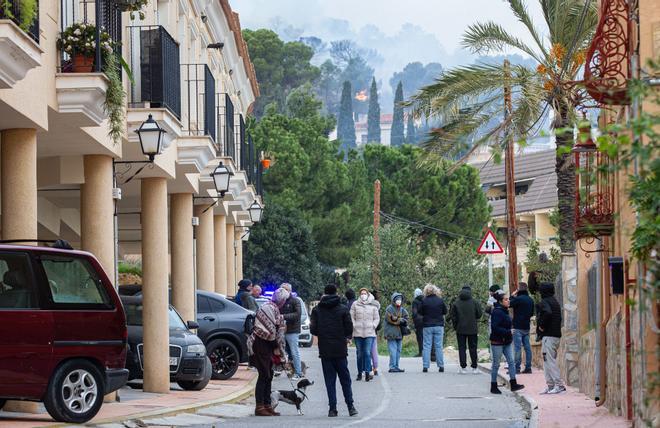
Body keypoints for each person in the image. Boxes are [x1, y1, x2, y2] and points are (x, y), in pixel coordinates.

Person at [310, 284, 358, 418]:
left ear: (324, 293)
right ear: (336, 292)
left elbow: (313, 329)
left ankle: (332, 409)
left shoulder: (317, 310)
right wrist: (344, 336)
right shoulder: (342, 309)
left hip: (325, 349)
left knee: (330, 380)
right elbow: (349, 327)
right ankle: (350, 406)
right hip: (340, 348)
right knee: (345, 379)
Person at [247, 287, 288, 416]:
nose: (284, 303)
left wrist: (279, 350)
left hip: (267, 345)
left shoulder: (274, 309)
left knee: (269, 375)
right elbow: (270, 331)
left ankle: (267, 404)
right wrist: (277, 348)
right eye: (284, 301)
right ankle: (260, 407)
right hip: (261, 344)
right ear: (281, 300)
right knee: (264, 375)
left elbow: (276, 332)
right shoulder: (268, 308)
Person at [489, 290, 524, 394]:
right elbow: (495, 327)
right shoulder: (496, 312)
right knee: (496, 364)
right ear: (500, 301)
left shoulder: (505, 310)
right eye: (506, 299)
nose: (508, 301)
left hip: (507, 341)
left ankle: (513, 384)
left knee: (511, 362)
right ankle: (493, 385)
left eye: (508, 299)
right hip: (497, 342)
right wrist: (508, 331)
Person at [536, 282, 565, 394]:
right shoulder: (555, 302)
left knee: (549, 360)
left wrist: (541, 326)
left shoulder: (545, 302)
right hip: (555, 335)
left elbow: (547, 313)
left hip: (549, 336)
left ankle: (559, 385)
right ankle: (551, 385)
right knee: (547, 360)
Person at [450, 285, 483, 374]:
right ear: (470, 291)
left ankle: (463, 367)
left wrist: (456, 327)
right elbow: (479, 314)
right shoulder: (475, 302)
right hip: (472, 328)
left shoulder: (456, 303)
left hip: (460, 329)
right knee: (473, 347)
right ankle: (474, 367)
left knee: (462, 348)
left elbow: (453, 317)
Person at [349, 287, 379, 381]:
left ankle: (367, 372)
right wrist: (354, 324)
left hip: (369, 332)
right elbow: (351, 316)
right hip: (358, 332)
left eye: (365, 293)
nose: (363, 295)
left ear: (368, 294)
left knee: (367, 352)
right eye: (361, 293)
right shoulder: (355, 304)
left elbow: (377, 318)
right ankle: (359, 372)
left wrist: (373, 325)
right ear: (359, 295)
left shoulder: (373, 304)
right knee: (359, 354)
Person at [419, 284, 447, 373]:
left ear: (426, 291)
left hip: (427, 326)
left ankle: (425, 366)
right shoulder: (440, 300)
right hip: (439, 325)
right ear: (435, 291)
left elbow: (420, 312)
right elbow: (445, 311)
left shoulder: (424, 301)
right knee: (439, 346)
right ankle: (441, 366)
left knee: (427, 346)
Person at [279, 283, 303, 379]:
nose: (282, 291)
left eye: (284, 289)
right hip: (281, 330)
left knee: (294, 352)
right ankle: (280, 369)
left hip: (292, 330)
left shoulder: (295, 301)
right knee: (281, 351)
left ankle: (298, 372)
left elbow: (297, 314)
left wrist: (284, 316)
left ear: (289, 290)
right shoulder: (281, 301)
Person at [510, 282, 535, 374]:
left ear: (518, 290)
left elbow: (509, 304)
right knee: (527, 347)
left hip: (517, 327)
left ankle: (517, 368)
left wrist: (512, 295)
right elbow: (532, 313)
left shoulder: (518, 299)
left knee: (517, 348)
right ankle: (528, 367)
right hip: (526, 327)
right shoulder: (530, 300)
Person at [384, 292, 409, 372]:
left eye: (400, 299)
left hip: (399, 333)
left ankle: (396, 366)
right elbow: (390, 319)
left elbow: (406, 317)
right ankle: (392, 367)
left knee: (398, 351)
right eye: (397, 299)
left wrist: (404, 321)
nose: (399, 301)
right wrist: (399, 320)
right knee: (393, 351)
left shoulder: (402, 309)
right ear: (393, 300)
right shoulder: (389, 308)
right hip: (391, 333)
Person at [370, 289, 381, 376]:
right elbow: (379, 321)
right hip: (374, 331)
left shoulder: (364, 305)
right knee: (374, 350)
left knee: (366, 350)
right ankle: (375, 367)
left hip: (364, 331)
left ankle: (367, 366)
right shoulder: (377, 306)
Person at [411, 288, 424, 357]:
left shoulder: (415, 301)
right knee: (426, 337)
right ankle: (426, 352)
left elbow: (414, 312)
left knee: (420, 337)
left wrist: (414, 319)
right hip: (426, 320)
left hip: (418, 322)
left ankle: (421, 352)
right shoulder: (425, 300)